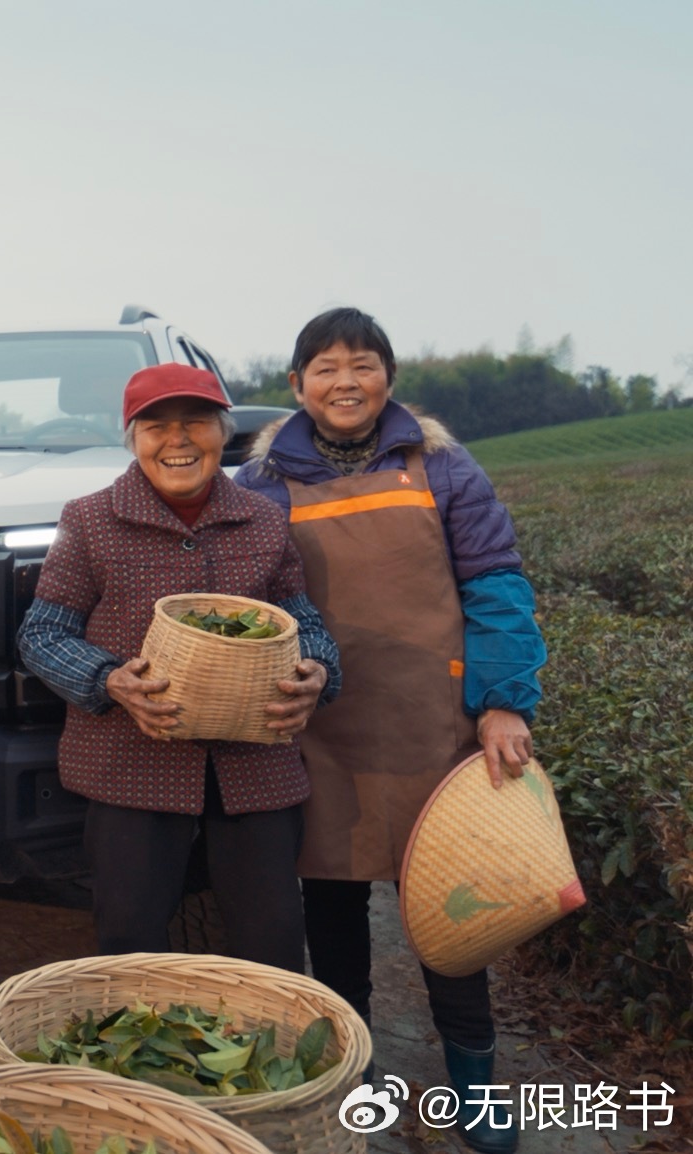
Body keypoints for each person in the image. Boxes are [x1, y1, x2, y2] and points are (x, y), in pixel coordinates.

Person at [236, 308, 543, 1154]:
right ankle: (355, 1075)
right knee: (330, 910)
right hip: (320, 729)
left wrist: (505, 698)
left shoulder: (440, 466)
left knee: (454, 912)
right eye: (325, 367)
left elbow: (496, 583)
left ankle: (475, 1088)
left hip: (432, 726)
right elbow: (252, 606)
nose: (345, 381)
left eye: (362, 365)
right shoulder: (262, 484)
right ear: (295, 386)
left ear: (389, 379)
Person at [18, 363, 339, 973]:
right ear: (133, 439)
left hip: (255, 764)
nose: (178, 440)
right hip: (132, 762)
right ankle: (134, 1067)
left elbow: (307, 624)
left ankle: (280, 1060)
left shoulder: (264, 520)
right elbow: (42, 634)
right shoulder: (88, 520)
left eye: (196, 422)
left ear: (224, 432)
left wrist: (318, 672)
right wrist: (109, 679)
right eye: (156, 426)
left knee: (272, 942)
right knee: (130, 943)